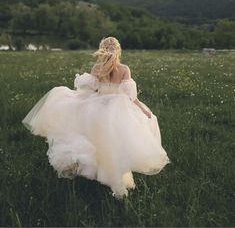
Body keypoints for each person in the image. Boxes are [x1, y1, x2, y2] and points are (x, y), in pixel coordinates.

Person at [22, 36, 170, 198]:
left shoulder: (97, 68)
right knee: (117, 145)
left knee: (99, 143)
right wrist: (143, 109)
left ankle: (102, 175)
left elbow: (89, 92)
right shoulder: (124, 69)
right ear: (119, 50)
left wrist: (75, 102)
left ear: (101, 50)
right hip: (119, 110)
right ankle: (115, 179)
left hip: (97, 108)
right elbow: (132, 97)